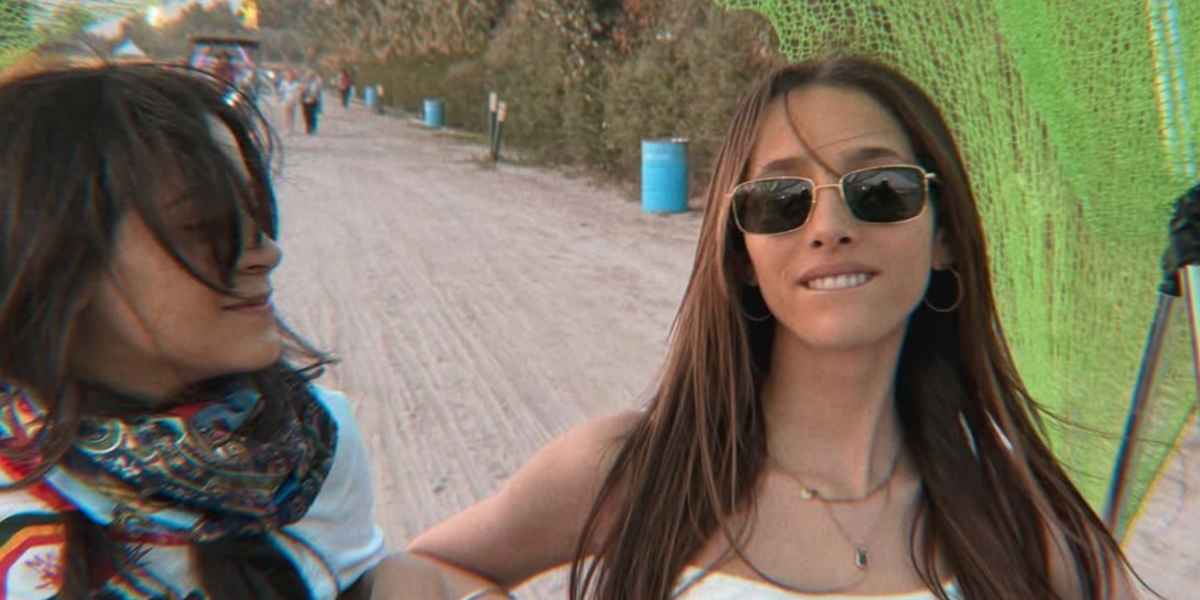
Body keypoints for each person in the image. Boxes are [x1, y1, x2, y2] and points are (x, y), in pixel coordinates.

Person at [374, 57, 1146, 600]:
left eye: (879, 188)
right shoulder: (634, 473)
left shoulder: (1025, 522)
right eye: (782, 200)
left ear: (943, 235)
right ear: (741, 254)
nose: (830, 225)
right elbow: (418, 573)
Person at [0, 63, 386, 599]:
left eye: (254, 215)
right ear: (59, 262)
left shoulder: (311, 442)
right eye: (206, 227)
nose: (267, 253)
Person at [280, 68, 301, 135]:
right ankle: (286, 128)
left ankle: (291, 128)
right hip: (285, 100)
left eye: (290, 75)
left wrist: (295, 99)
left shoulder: (295, 84)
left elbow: (297, 93)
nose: (289, 77)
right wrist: (281, 98)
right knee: (286, 115)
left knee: (291, 115)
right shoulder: (283, 83)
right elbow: (281, 91)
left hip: (292, 101)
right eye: (288, 75)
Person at [302, 69, 324, 135]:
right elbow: (301, 89)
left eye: (311, 75)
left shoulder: (316, 81)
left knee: (312, 114)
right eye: (309, 75)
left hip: (313, 100)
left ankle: (313, 127)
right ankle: (308, 127)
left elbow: (318, 90)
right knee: (306, 114)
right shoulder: (305, 81)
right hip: (305, 99)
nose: (309, 76)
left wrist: (315, 95)